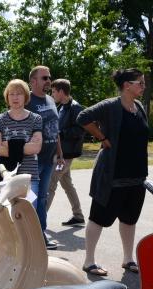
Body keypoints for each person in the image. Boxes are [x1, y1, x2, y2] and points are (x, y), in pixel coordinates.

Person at [76, 69, 149, 276]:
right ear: (127, 85)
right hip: (112, 175)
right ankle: (89, 261)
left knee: (130, 219)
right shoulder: (110, 105)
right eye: (140, 83)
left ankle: (128, 259)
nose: (143, 86)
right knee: (98, 218)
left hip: (136, 176)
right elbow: (82, 117)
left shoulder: (139, 107)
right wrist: (101, 137)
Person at [27, 66, 66, 249]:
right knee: (31, 199)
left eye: (49, 77)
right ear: (33, 81)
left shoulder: (50, 100)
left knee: (42, 198)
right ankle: (29, 237)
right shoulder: (26, 100)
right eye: (44, 78)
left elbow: (55, 129)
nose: (49, 81)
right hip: (32, 161)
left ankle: (41, 233)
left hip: (49, 160)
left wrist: (60, 153)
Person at [0, 80, 43, 191]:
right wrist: (24, 147)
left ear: (25, 96)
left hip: (29, 178)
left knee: (28, 205)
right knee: (3, 204)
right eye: (11, 94)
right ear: (7, 97)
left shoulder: (36, 119)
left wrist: (7, 144)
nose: (15, 97)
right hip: (3, 177)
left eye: (19, 94)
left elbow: (36, 148)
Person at [47, 78, 85, 226]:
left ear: (61, 92)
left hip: (66, 156)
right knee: (67, 184)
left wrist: (61, 133)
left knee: (50, 183)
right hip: (62, 153)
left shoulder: (75, 108)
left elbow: (80, 130)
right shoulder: (62, 107)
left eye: (54, 91)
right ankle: (78, 215)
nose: (52, 94)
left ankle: (37, 219)